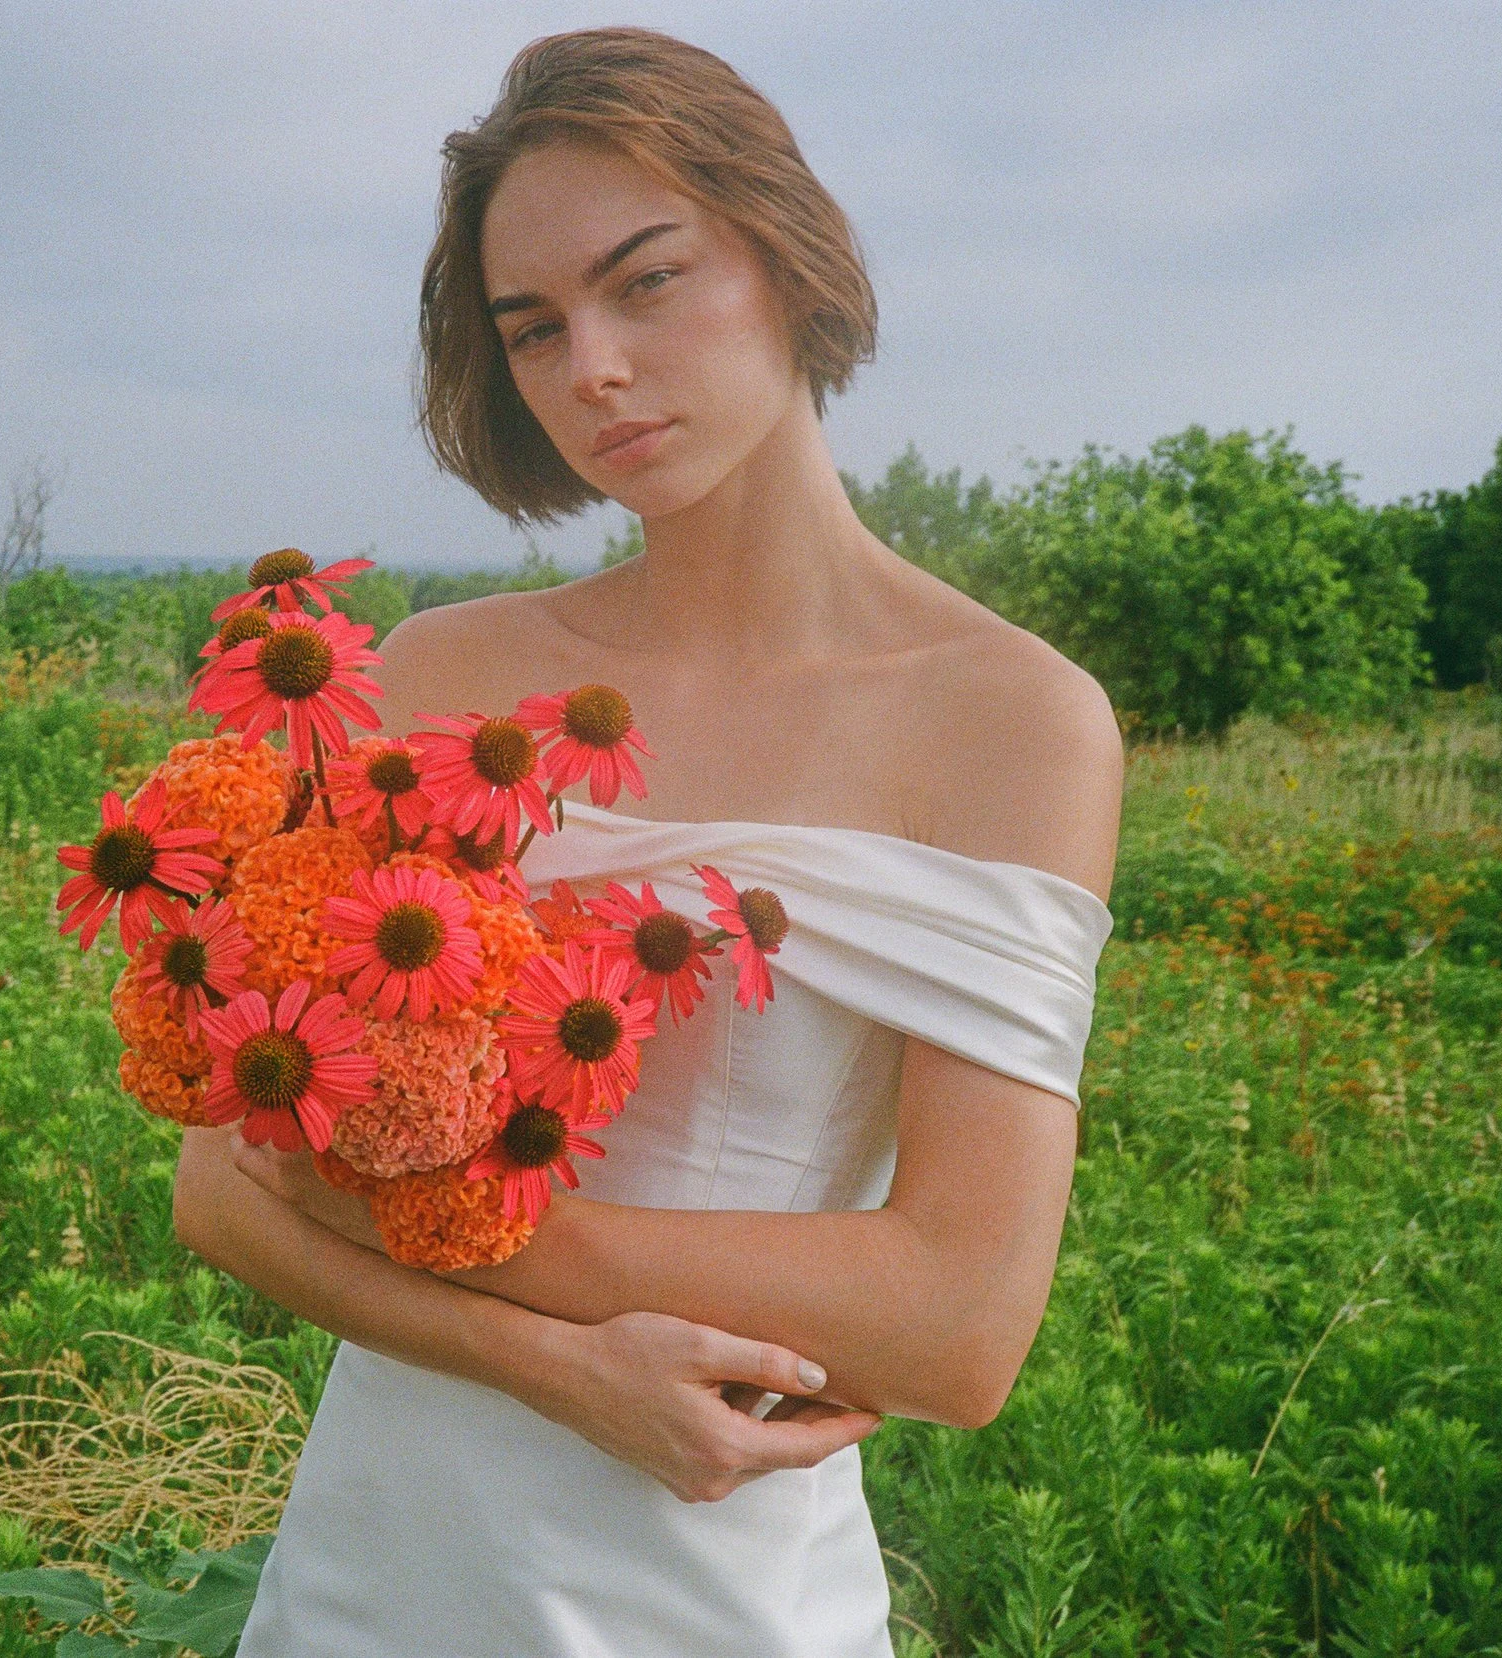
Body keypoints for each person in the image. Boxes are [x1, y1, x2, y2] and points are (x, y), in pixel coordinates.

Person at [171, 26, 1123, 1656]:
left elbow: (961, 1322)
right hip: (374, 1572)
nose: (593, 368)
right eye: (534, 328)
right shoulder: (444, 677)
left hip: (717, 1579)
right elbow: (229, 1187)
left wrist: (444, 1219)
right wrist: (559, 1365)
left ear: (788, 256)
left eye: (648, 280)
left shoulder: (1011, 721)